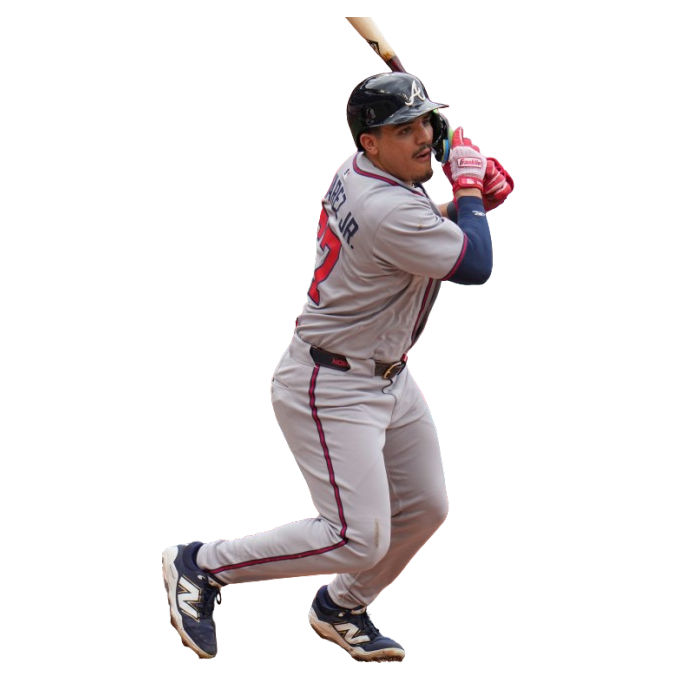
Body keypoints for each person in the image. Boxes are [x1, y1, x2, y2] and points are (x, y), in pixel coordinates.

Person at [162, 72, 514, 663]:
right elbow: (476, 266)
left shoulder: (369, 174)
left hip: (387, 375)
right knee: (357, 537)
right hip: (332, 384)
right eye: (403, 129)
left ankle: (340, 605)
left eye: (425, 122)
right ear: (370, 142)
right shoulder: (382, 205)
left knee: (426, 508)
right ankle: (202, 564)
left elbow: (425, 227)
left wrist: (468, 201)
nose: (423, 137)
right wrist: (471, 193)